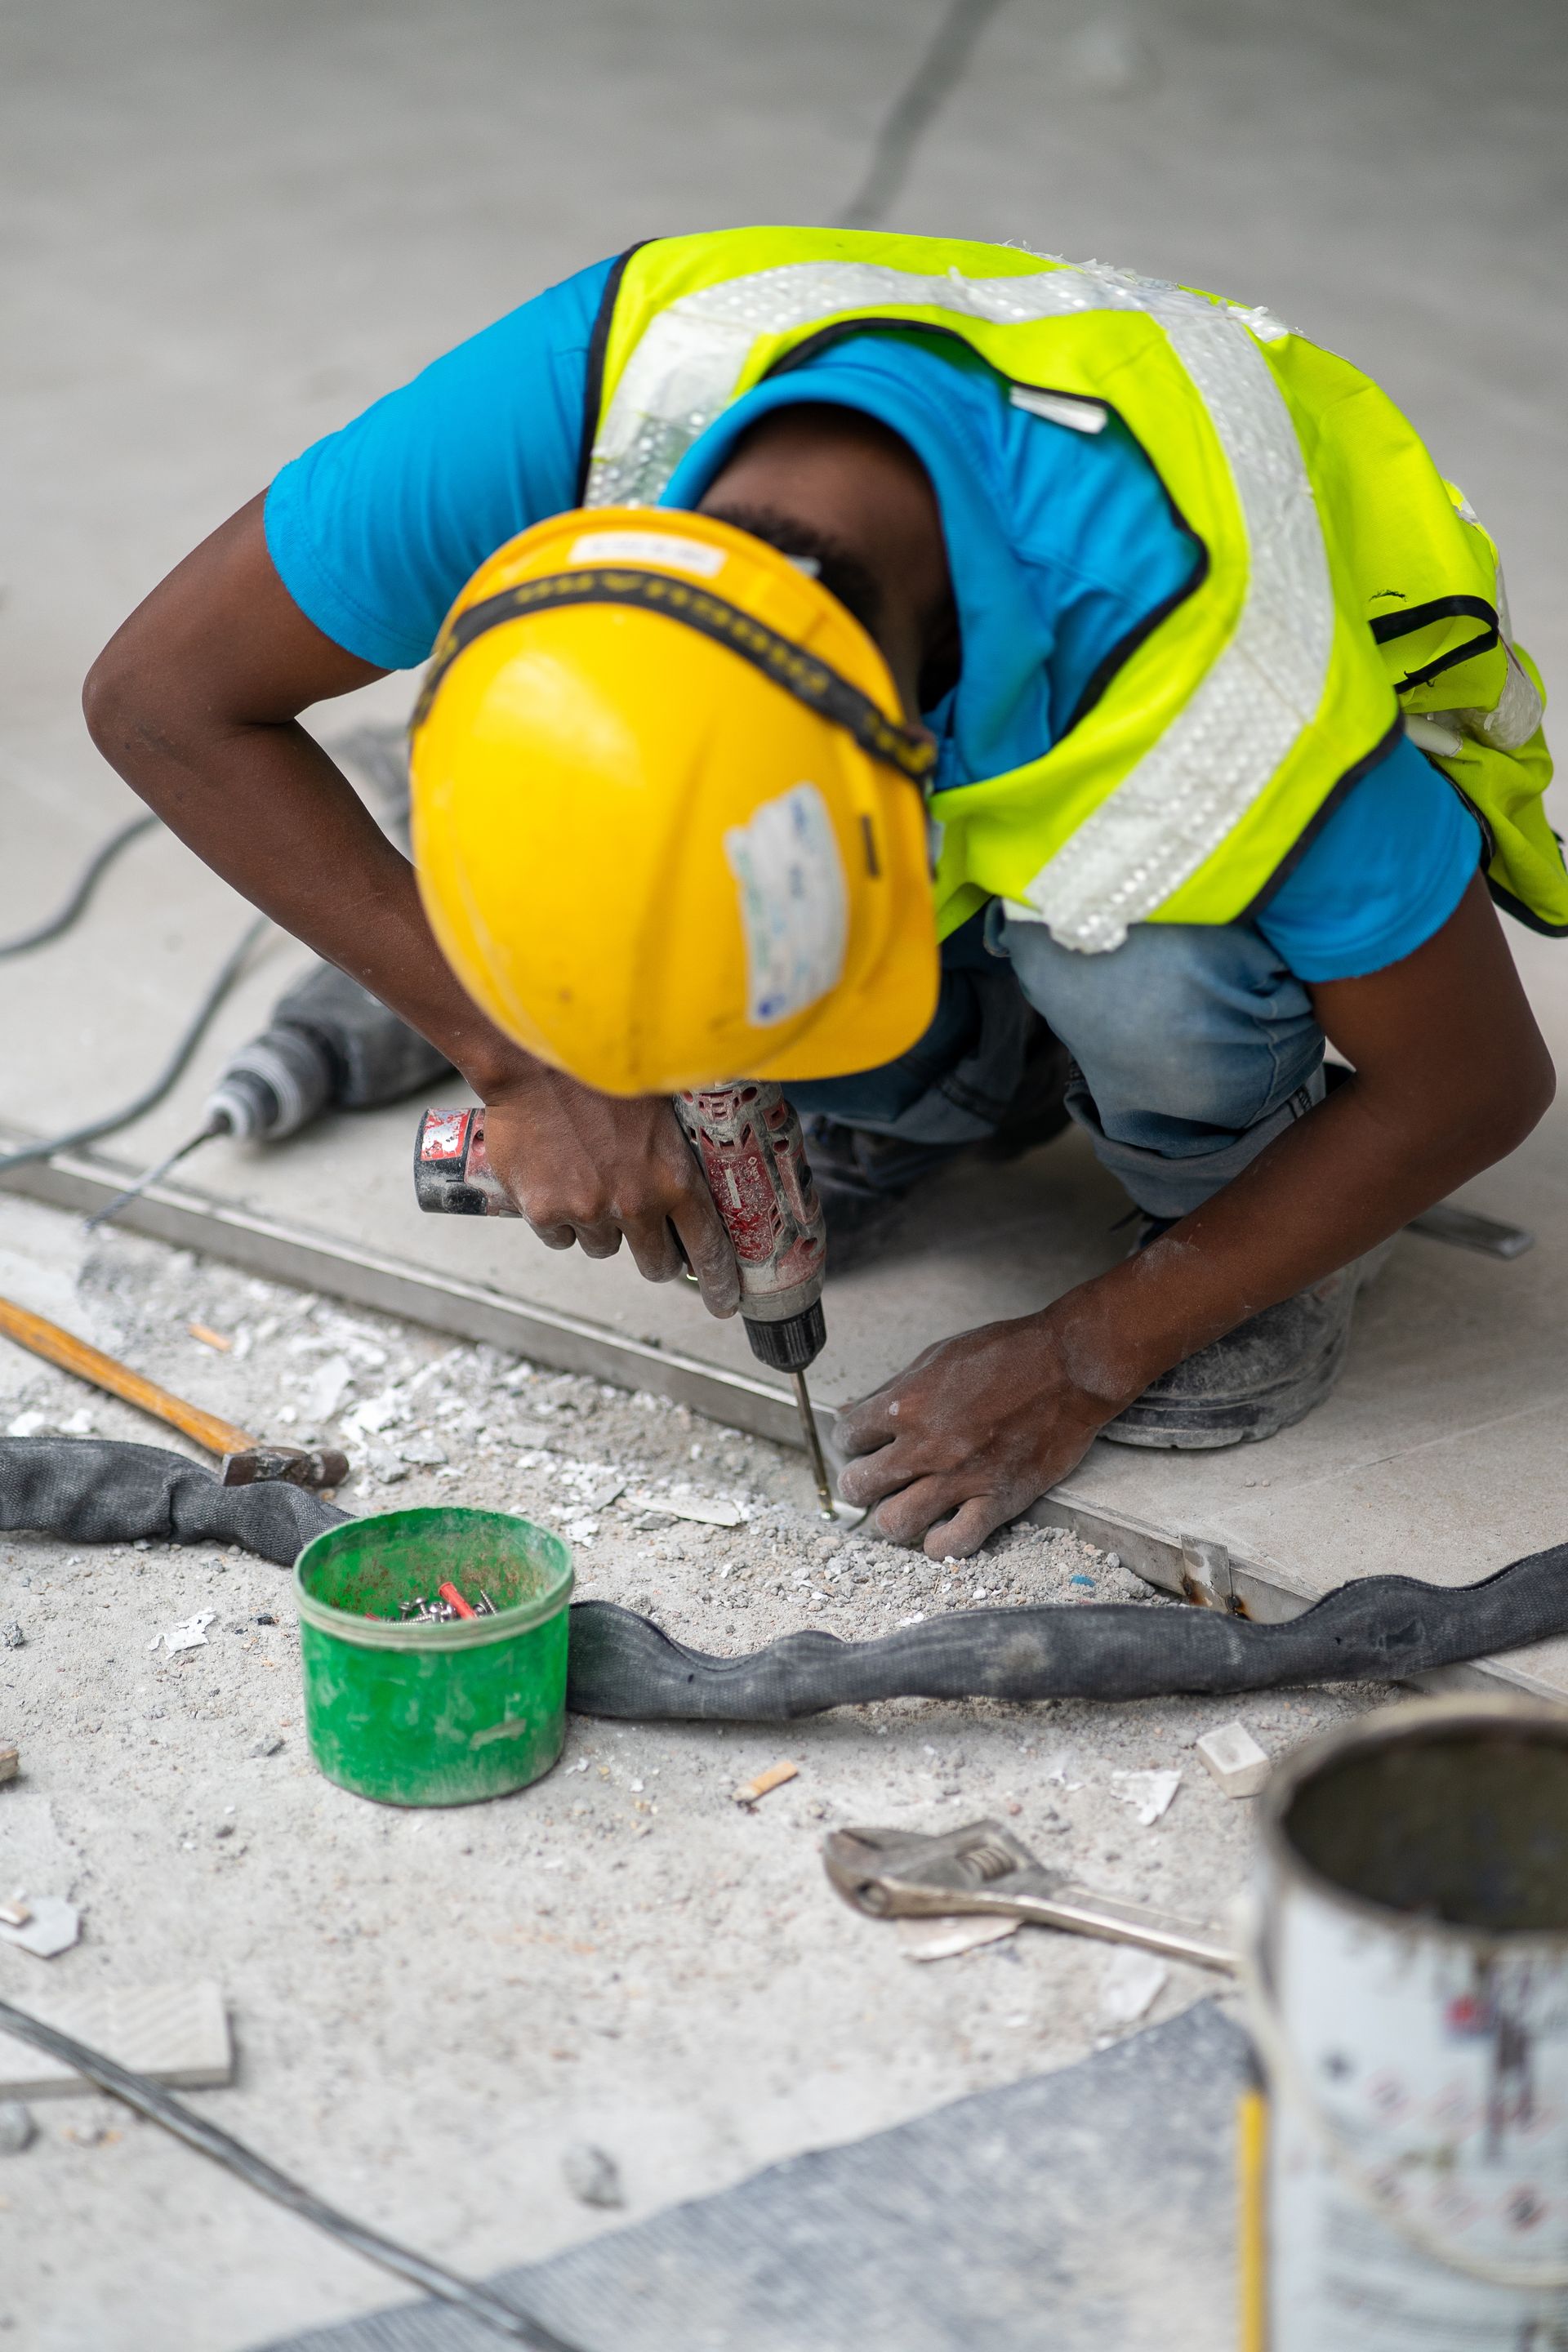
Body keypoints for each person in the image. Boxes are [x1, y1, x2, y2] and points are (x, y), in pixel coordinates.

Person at [85, 227, 1558, 1562]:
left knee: (1144, 976)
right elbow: (159, 698)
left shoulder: (1224, 689)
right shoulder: (574, 406)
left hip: (1174, 819)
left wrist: (1089, 1352)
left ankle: (1231, 1210)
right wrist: (522, 1051)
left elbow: (1473, 1086)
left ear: (914, 775)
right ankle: (949, 1091)